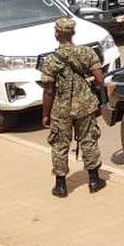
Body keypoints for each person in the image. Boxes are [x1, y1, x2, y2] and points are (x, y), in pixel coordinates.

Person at [40, 17, 106, 198]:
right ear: (73, 33)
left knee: (60, 145)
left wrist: (45, 114)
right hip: (85, 106)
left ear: (56, 34)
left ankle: (61, 186)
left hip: (61, 110)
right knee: (89, 140)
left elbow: (48, 91)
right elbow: (100, 80)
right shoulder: (86, 53)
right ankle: (94, 180)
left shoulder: (50, 61)